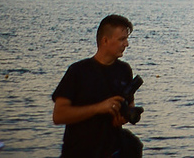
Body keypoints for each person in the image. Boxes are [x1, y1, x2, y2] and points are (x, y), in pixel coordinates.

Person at [51, 13, 139, 158]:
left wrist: (125, 116)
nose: (126, 44)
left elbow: (130, 105)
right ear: (105, 40)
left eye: (127, 39)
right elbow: (59, 116)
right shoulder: (78, 71)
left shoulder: (124, 70)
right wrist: (99, 108)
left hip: (113, 151)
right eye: (122, 39)